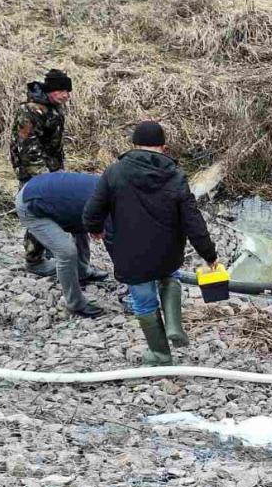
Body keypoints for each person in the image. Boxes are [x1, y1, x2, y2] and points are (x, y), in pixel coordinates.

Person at [82, 121, 219, 366]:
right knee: (170, 276)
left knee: (144, 300)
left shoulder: (115, 172)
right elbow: (192, 219)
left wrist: (95, 229)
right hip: (167, 250)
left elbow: (92, 210)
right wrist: (209, 253)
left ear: (134, 145)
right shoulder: (175, 175)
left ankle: (160, 354)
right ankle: (174, 326)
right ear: (163, 147)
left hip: (131, 254)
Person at [14, 171, 110, 318]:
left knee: (83, 229)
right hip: (30, 206)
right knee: (66, 252)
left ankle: (82, 272)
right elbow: (114, 242)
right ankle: (75, 304)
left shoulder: (110, 189)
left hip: (53, 198)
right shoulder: (102, 201)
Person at [9, 69, 72, 277]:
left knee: (51, 212)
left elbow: (53, 144)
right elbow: (28, 148)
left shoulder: (52, 109)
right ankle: (34, 259)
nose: (66, 95)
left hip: (51, 169)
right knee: (36, 211)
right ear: (52, 90)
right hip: (34, 172)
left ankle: (49, 251)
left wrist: (58, 170)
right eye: (63, 91)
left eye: (68, 91)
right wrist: (44, 179)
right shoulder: (30, 111)